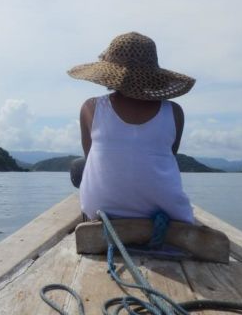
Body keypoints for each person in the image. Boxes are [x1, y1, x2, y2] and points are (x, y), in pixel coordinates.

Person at [67, 32, 195, 223]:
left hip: (101, 214)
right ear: (153, 75)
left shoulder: (91, 108)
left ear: (109, 73)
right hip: (166, 215)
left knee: (81, 165)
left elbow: (90, 158)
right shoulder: (174, 112)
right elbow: (168, 156)